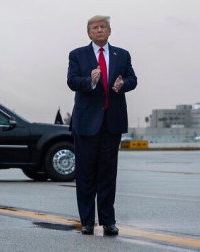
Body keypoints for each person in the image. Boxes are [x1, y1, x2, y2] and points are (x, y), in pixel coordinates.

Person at [67, 15, 137, 235]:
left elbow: (133, 79)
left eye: (103, 27)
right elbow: (72, 81)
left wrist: (123, 84)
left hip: (112, 123)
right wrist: (91, 81)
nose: (99, 30)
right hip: (86, 124)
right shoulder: (77, 55)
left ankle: (108, 221)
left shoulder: (122, 54)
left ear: (109, 31)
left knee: (108, 174)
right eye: (94, 28)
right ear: (89, 32)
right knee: (86, 174)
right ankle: (87, 221)